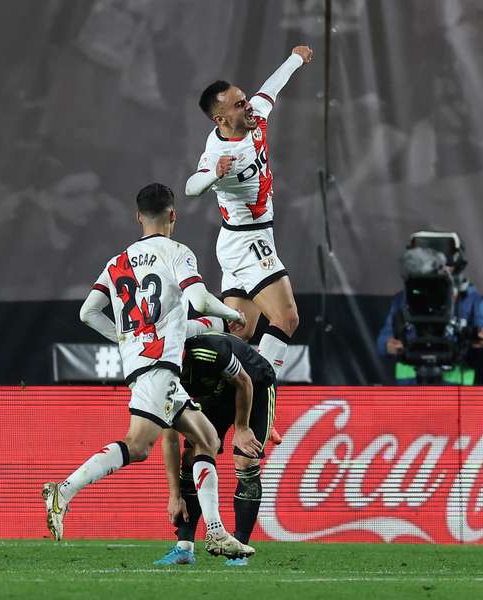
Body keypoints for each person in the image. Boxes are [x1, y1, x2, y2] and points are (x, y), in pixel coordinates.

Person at [43, 183, 254, 560]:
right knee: (138, 446)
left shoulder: (118, 262)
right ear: (173, 215)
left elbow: (88, 312)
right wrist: (233, 314)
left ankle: (217, 532)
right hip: (158, 367)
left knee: (207, 439)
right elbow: (200, 300)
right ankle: (65, 490)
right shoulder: (177, 253)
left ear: (138, 217)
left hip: (149, 365)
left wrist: (126, 340)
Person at [184, 46, 312, 389]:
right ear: (220, 119)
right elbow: (191, 188)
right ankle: (261, 396)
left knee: (239, 330)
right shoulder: (218, 154)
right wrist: (214, 174)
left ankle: (198, 375)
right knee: (286, 318)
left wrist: (295, 59)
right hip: (247, 240)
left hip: (244, 238)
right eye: (239, 104)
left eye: (244, 99)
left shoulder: (255, 116)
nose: (248, 105)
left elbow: (272, 87)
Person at [154, 331, 276, 567]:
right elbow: (169, 438)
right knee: (191, 454)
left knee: (246, 461)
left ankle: (238, 550)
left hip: (255, 385)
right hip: (216, 395)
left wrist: (241, 428)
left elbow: (243, 382)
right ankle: (184, 548)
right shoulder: (162, 379)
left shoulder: (210, 350)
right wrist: (174, 494)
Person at [376, 232, 483, 384]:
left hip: (456, 394)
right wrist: (387, 345)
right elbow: (382, 343)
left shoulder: (470, 299)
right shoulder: (402, 300)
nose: (436, 268)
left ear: (456, 263)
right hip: (410, 391)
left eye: (443, 262)